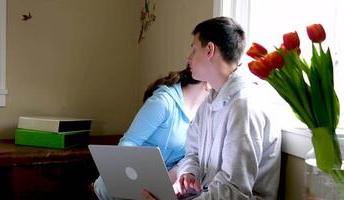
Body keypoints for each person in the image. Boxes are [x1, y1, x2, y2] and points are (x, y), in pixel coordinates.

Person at [143, 16, 281, 200]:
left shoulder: (244, 106)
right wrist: (189, 174)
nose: (188, 58)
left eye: (193, 49)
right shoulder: (209, 102)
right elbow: (192, 154)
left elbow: (234, 191)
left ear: (209, 50)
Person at [93, 66, 210, 200]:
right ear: (207, 82)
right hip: (124, 181)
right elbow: (129, 142)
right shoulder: (163, 102)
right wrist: (136, 182)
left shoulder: (204, 114)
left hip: (158, 186)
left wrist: (165, 187)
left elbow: (187, 158)